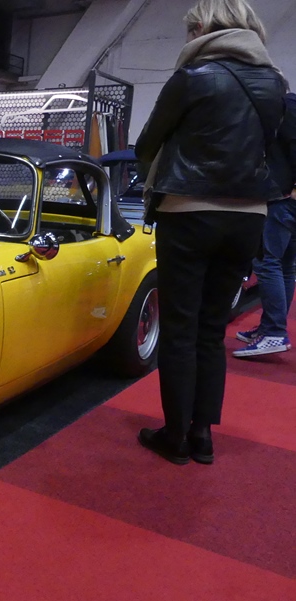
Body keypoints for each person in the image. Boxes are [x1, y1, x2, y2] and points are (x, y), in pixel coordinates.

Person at [134, 0, 285, 465]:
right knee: (212, 328)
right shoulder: (275, 82)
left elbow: (146, 143)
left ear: (202, 27)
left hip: (188, 210)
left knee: (180, 327)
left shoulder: (193, 77)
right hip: (249, 215)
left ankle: (175, 435)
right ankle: (202, 435)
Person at [233, 90, 296, 357]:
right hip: (285, 197)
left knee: (267, 262)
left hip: (282, 198)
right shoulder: (285, 106)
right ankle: (270, 327)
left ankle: (274, 331)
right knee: (284, 265)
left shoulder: (287, 106)